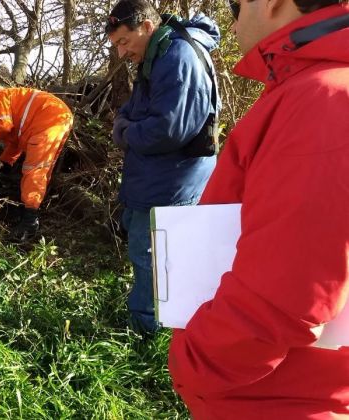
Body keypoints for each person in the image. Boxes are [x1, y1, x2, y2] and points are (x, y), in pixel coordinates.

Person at [168, 0, 349, 417]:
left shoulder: (322, 99)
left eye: (235, 5)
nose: (231, 21)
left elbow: (285, 295)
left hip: (281, 400)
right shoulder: (314, 90)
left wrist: (194, 361)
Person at [105, 0, 220, 335]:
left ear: (147, 26)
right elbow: (136, 108)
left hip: (170, 181)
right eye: (116, 46)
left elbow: (169, 128)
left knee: (150, 254)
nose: (122, 53)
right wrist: (126, 120)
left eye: (124, 42)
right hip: (158, 176)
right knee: (149, 248)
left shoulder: (178, 56)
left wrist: (125, 131)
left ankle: (147, 329)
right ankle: (162, 320)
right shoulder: (159, 54)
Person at [0, 87, 73, 243]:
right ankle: (33, 207)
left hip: (48, 119)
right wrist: (4, 162)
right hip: (56, 117)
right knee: (43, 169)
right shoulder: (9, 105)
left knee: (34, 169)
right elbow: (15, 142)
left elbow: (1, 126)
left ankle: (30, 221)